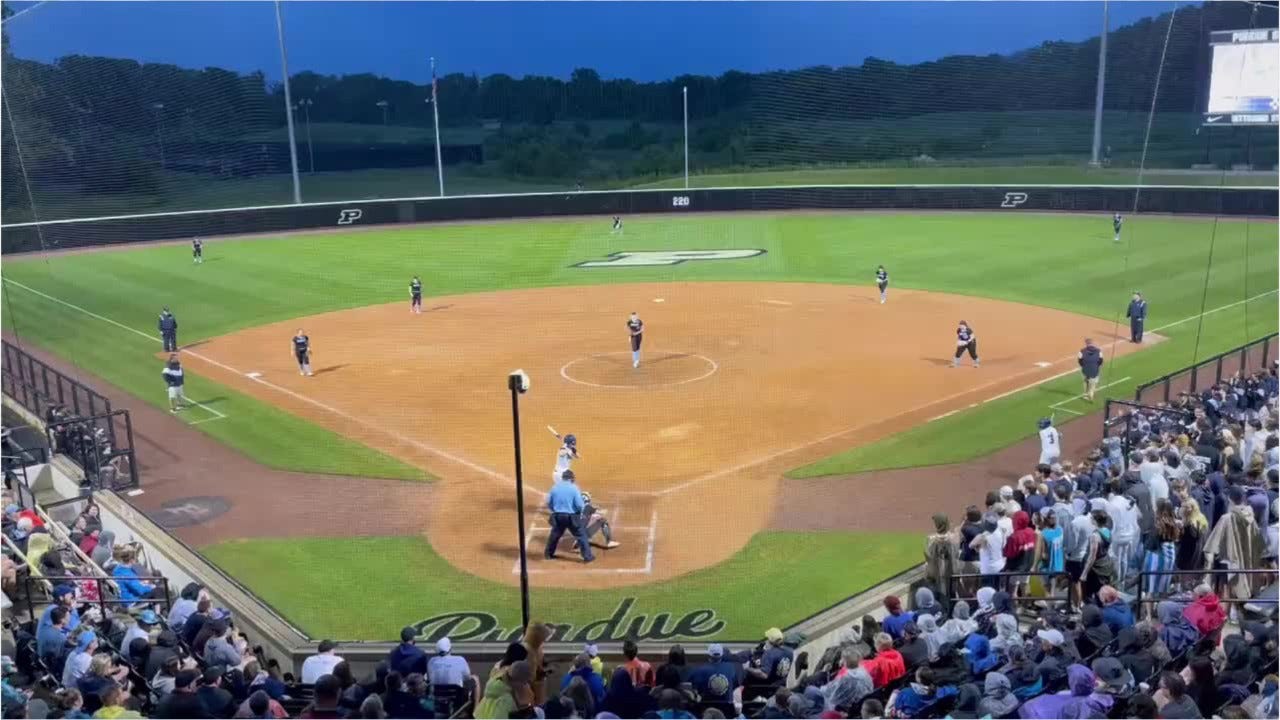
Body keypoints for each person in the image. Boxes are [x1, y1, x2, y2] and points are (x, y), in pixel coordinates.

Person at [544, 470, 594, 563]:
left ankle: (548, 554)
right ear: (571, 478)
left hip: (558, 516)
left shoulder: (554, 487)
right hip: (571, 517)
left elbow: (549, 503)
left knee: (554, 535)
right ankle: (587, 557)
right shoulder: (574, 488)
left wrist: (555, 510)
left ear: (563, 478)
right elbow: (579, 505)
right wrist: (579, 513)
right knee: (581, 535)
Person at [1142, 499, 1183, 598]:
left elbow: (1150, 545)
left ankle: (1149, 614)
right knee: (1163, 587)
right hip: (1169, 557)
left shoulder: (1157, 525)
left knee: (1150, 589)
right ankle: (1160, 609)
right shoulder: (1175, 524)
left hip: (1156, 557)